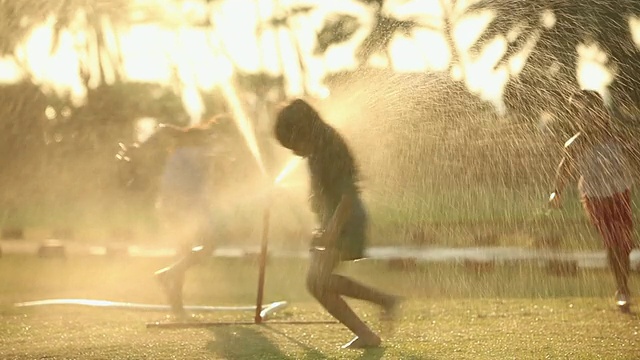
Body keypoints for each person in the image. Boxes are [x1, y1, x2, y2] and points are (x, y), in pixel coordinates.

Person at [274, 98, 401, 349]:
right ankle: (372, 323)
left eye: (291, 143)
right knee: (317, 283)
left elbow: (347, 196)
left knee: (317, 282)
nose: (292, 152)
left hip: (347, 223)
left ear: (300, 131)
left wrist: (331, 230)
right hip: (336, 223)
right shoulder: (318, 147)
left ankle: (380, 308)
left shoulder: (328, 145)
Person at [120, 117, 231, 317]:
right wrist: (140, 148)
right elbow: (164, 129)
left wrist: (140, 148)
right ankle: (170, 275)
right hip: (182, 204)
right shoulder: (203, 144)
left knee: (184, 251)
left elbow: (164, 129)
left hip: (177, 203)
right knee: (207, 245)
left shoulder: (194, 142)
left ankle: (176, 307)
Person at [549, 89, 635, 313]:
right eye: (580, 114)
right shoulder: (575, 144)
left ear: (602, 112)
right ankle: (622, 290)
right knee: (613, 240)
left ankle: (622, 286)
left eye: (590, 111)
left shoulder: (617, 137)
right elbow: (564, 168)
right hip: (595, 196)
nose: (585, 117)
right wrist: (556, 192)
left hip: (620, 192)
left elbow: (635, 157)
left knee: (624, 243)